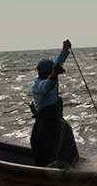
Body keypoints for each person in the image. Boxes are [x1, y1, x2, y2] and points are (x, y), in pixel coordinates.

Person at [29, 39, 79, 168]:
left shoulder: (49, 75)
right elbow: (48, 86)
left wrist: (65, 50)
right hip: (46, 128)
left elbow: (58, 62)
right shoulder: (38, 86)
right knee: (50, 155)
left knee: (67, 153)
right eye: (51, 72)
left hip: (57, 123)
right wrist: (54, 75)